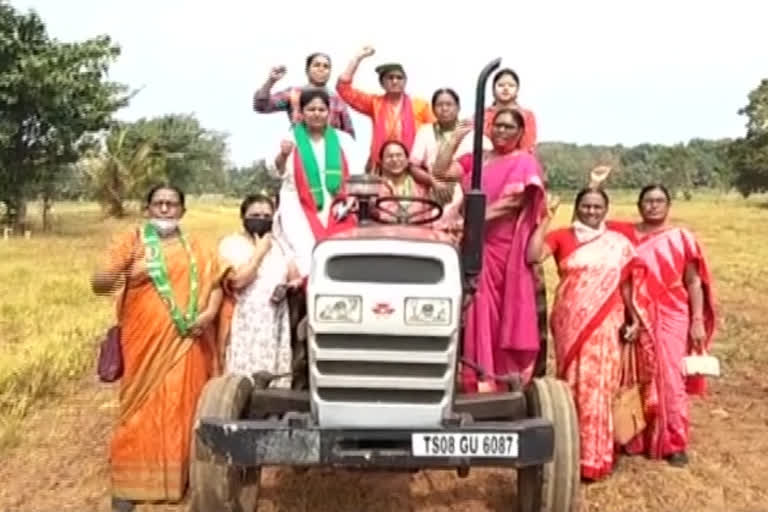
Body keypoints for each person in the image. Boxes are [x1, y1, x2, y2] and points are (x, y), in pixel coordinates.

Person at [90, 185, 225, 512]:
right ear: (148, 209)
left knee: (185, 406)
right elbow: (98, 283)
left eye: (172, 204)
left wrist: (208, 315)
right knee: (139, 410)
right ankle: (129, 485)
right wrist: (127, 271)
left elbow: (218, 283)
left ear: (183, 211)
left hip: (188, 342)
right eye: (159, 204)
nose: (165, 210)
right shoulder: (132, 241)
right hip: (143, 345)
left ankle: (182, 479)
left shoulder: (197, 248)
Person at [526, 187, 650, 481]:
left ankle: (596, 455)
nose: (591, 211)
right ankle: (571, 450)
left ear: (605, 210)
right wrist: (546, 218)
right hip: (571, 321)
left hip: (608, 320)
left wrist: (634, 319)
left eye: (597, 207)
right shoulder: (562, 236)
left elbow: (627, 285)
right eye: (585, 206)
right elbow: (532, 256)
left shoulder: (617, 243)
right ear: (577, 207)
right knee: (572, 383)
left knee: (601, 385)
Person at [433, 108, 545, 392]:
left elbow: (513, 203)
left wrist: (472, 220)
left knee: (497, 310)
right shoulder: (478, 159)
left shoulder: (524, 162)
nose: (502, 131)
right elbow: (441, 171)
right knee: (474, 307)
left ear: (520, 133)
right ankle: (476, 377)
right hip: (472, 243)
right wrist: (454, 139)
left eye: (509, 127)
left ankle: (497, 378)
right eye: (497, 126)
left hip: (503, 248)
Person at [607, 184, 716, 467]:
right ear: (639, 204)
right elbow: (585, 225)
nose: (653, 206)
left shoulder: (681, 238)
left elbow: (693, 282)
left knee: (669, 378)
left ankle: (674, 442)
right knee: (634, 374)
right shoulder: (624, 235)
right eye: (648, 201)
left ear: (668, 205)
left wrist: (696, 321)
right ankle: (634, 437)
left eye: (659, 201)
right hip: (634, 313)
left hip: (672, 313)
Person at [270, 87, 363, 279]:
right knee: (304, 256)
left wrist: (352, 198)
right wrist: (283, 155)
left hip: (337, 206)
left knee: (337, 255)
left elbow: (356, 175)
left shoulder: (343, 140)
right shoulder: (290, 138)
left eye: (321, 110)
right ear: (301, 113)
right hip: (297, 207)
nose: (316, 114)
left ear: (329, 113)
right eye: (311, 110)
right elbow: (275, 171)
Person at [217, 194, 301, 388]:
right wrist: (260, 252)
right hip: (244, 320)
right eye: (255, 215)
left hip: (274, 318)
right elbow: (238, 281)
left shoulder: (280, 245)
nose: (261, 220)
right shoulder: (232, 244)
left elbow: (293, 275)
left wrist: (290, 285)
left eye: (266, 216)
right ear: (243, 217)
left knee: (273, 375)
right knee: (241, 378)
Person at [336, 45, 435, 168]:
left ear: (405, 81)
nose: (395, 81)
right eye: (390, 78)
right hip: (381, 167)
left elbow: (434, 135)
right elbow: (344, 89)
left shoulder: (421, 105)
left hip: (413, 169)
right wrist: (357, 58)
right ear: (382, 83)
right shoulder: (374, 103)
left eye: (399, 78)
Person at [253, 52, 356, 138]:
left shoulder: (337, 100)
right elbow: (261, 106)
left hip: (331, 154)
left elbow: (348, 133)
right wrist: (271, 81)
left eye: (326, 66)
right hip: (301, 151)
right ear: (307, 70)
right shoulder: (293, 94)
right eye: (317, 65)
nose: (321, 69)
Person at [483, 68, 537, 153]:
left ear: (517, 90)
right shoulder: (482, 115)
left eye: (511, 85)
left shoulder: (527, 116)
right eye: (501, 85)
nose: (506, 88)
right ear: (493, 89)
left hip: (517, 162)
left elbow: (527, 147)